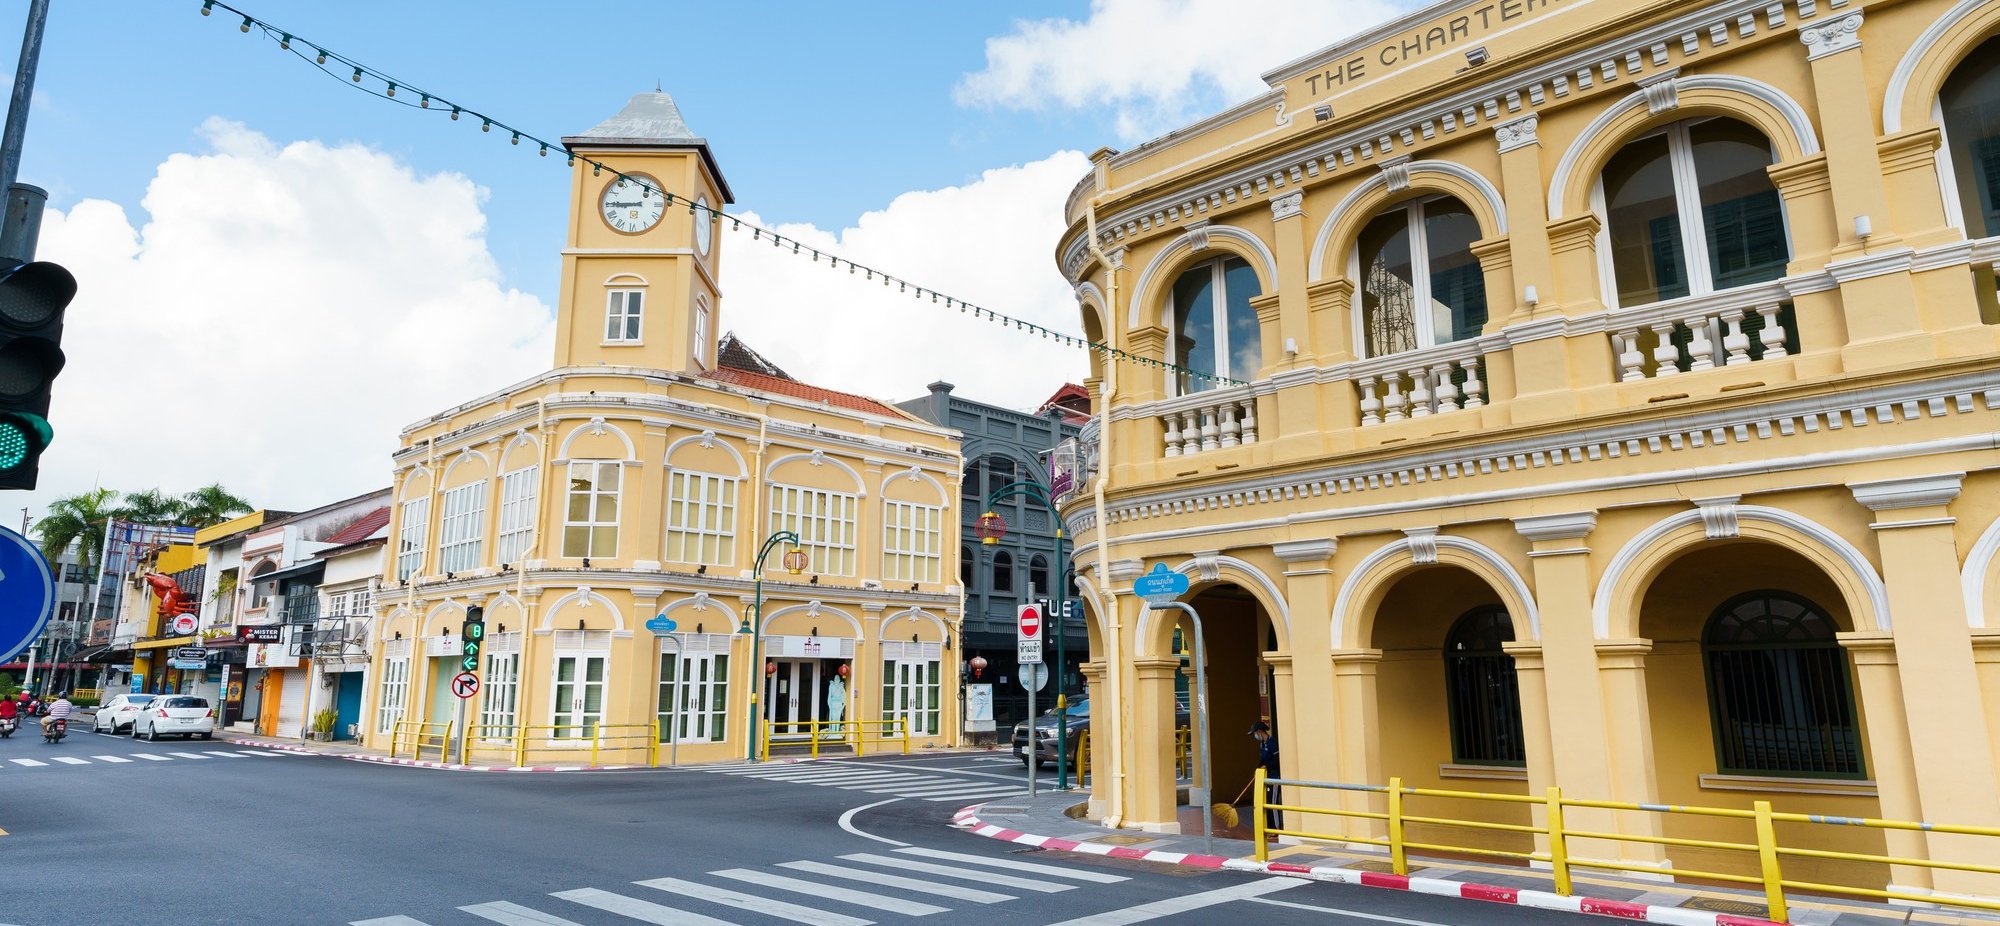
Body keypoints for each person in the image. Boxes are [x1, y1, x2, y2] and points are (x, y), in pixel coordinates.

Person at [1251, 721, 1280, 830]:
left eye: (1255, 733)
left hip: (1274, 777)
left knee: (1272, 803)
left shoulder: (1272, 742)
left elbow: (1277, 759)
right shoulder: (1262, 744)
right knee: (1266, 802)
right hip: (1266, 777)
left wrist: (1267, 767)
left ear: (1259, 731)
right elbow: (1262, 759)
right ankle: (1269, 827)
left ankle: (1276, 829)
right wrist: (1258, 769)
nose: (1255, 736)